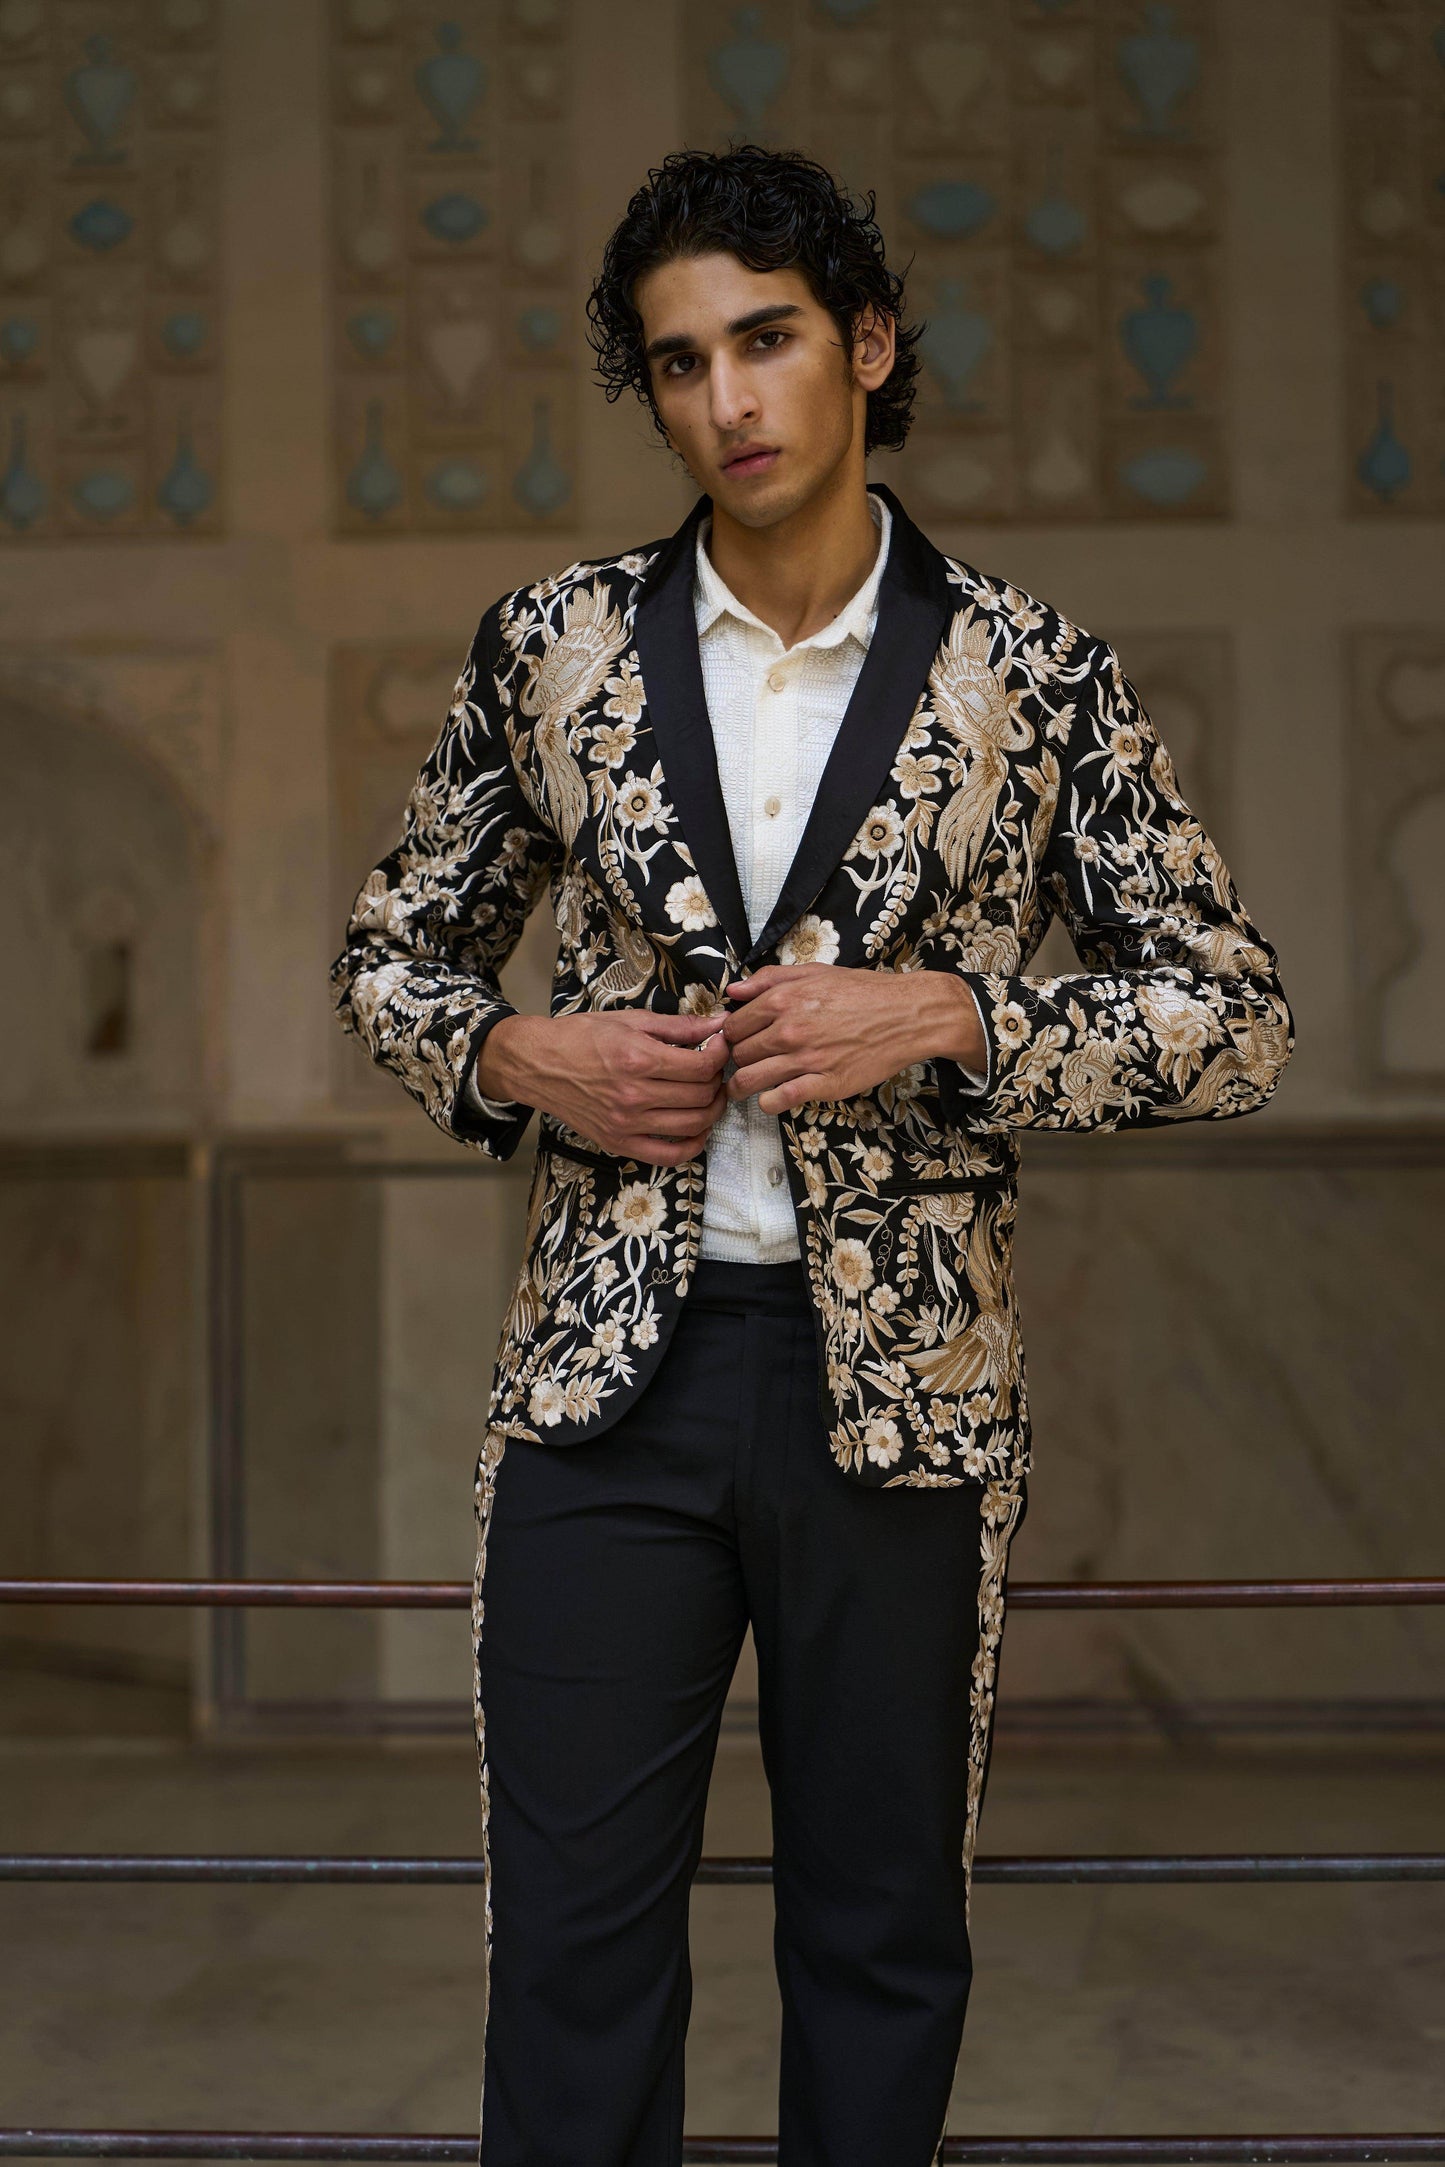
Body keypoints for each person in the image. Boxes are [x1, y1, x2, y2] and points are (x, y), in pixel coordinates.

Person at [331, 145, 1292, 2167]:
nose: (726, 402)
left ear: (864, 344)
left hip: (907, 1405)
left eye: (763, 341)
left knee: (877, 1939)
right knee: (569, 1956)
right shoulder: (552, 649)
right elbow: (389, 956)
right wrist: (518, 1054)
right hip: (604, 1397)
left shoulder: (1033, 674)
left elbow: (1235, 1014)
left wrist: (953, 1016)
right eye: (678, 364)